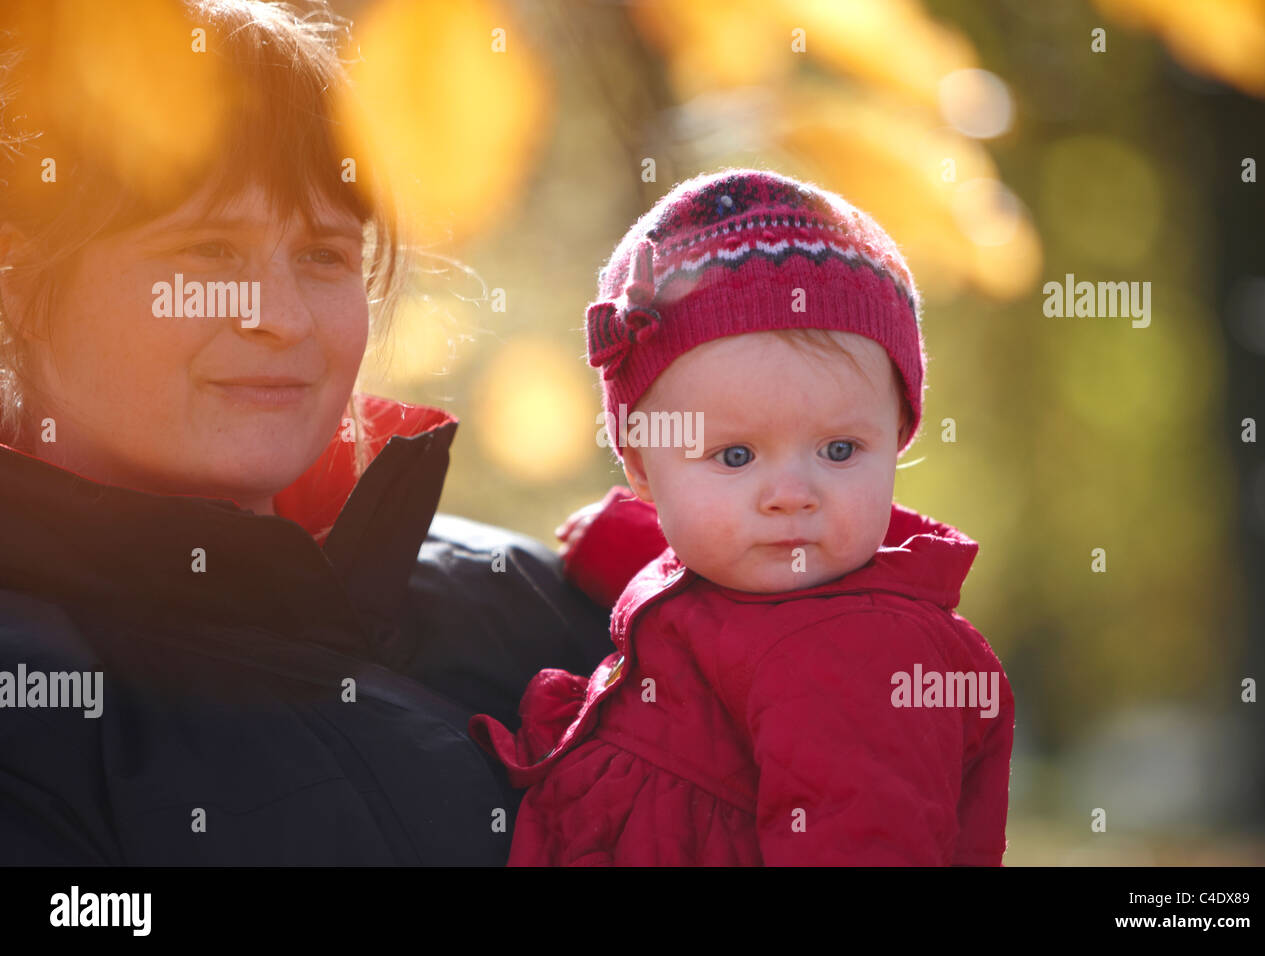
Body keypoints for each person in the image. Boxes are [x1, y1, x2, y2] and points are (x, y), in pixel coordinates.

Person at [0, 0, 657, 865]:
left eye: (322, 255)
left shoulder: (554, 605)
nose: (281, 319)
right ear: (17, 291)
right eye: (206, 252)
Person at [471, 169, 1016, 865]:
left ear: (899, 437)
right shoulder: (759, 571)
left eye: (840, 449)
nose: (791, 494)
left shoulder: (870, 655)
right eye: (734, 457)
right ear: (643, 469)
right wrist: (629, 544)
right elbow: (719, 608)